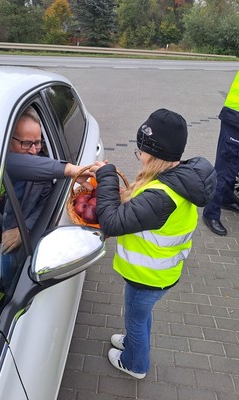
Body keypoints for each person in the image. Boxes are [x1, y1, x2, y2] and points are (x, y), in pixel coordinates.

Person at [89, 108, 216, 379]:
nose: (140, 156)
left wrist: (107, 176)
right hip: (160, 273)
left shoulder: (161, 196)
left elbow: (111, 222)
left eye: (141, 152)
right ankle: (134, 342)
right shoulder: (175, 179)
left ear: (155, 154)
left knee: (136, 319)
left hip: (147, 276)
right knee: (140, 317)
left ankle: (135, 364)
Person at [0, 106, 91, 286]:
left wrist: (23, 229)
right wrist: (70, 170)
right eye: (26, 143)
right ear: (8, 140)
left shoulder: (43, 169)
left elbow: (44, 202)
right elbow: (10, 163)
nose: (34, 151)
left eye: (38, 142)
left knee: (9, 278)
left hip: (12, 237)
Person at [203, 71, 239, 236]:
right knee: (225, 168)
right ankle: (211, 212)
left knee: (235, 165)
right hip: (235, 118)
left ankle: (226, 198)